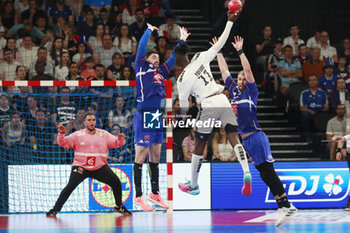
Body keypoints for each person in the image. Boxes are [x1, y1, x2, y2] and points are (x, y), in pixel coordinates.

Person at [214, 35, 297, 227]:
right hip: (246, 141)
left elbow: (249, 69)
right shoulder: (233, 90)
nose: (242, 79)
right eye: (240, 77)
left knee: (268, 171)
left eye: (244, 77)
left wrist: (240, 51)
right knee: (264, 173)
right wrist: (217, 51)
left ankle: (286, 205)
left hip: (256, 136)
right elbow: (224, 70)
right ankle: (284, 205)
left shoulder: (252, 91)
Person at [175, 11, 252, 198]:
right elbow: (221, 42)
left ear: (177, 60)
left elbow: (184, 106)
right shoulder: (201, 57)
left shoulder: (182, 79)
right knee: (234, 137)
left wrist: (189, 114)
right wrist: (230, 21)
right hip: (222, 98)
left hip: (207, 104)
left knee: (200, 144)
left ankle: (194, 184)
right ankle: (246, 171)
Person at [132, 22, 189, 211]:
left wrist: (182, 40)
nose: (157, 59)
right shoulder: (140, 66)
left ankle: (154, 193)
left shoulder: (160, 72)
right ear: (147, 58)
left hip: (156, 116)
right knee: (141, 154)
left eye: (158, 56)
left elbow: (173, 59)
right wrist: (149, 30)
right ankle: (138, 196)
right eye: (154, 56)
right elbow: (141, 47)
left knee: (156, 155)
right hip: (143, 114)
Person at [46, 113, 132, 217]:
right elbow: (63, 143)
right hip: (81, 167)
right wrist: (61, 134)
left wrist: (120, 139)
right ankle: (54, 210)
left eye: (93, 120)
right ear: (85, 122)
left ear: (96, 122)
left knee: (116, 182)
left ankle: (119, 206)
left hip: (99, 167)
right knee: (70, 187)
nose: (91, 122)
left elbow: (116, 143)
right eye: (89, 120)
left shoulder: (103, 134)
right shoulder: (77, 135)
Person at [300, 74, 329, 142]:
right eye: (310, 80)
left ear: (317, 82)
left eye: (314, 80)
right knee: (305, 114)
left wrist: (318, 113)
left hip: (320, 113)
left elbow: (326, 107)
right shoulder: (304, 93)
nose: (312, 82)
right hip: (309, 112)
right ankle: (308, 137)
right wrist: (310, 111)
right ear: (308, 82)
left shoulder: (322, 93)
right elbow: (301, 108)